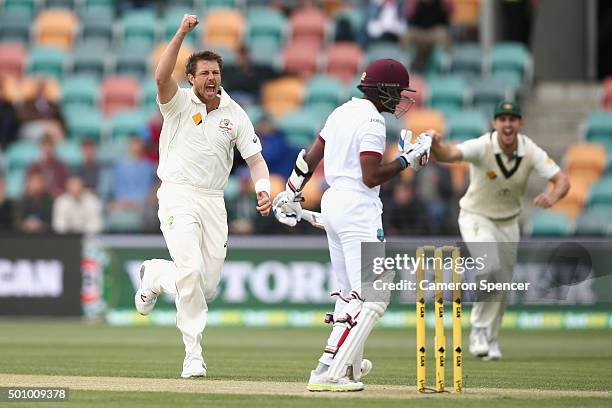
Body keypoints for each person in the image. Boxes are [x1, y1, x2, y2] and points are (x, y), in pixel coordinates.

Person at [273, 58, 432, 391]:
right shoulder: (373, 121)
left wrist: (290, 193)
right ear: (383, 90)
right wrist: (407, 159)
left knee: (349, 296)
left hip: (333, 202)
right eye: (398, 92)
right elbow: (371, 175)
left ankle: (335, 365)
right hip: (358, 207)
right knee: (375, 296)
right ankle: (333, 373)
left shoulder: (341, 111)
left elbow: (309, 158)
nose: (401, 98)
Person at [134, 14, 272, 379]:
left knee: (205, 287)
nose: (211, 78)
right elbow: (161, 77)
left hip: (213, 200)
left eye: (216, 73)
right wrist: (181, 33)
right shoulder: (177, 103)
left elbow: (256, 161)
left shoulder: (235, 113)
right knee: (191, 271)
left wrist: (262, 190)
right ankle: (193, 355)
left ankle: (154, 276)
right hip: (177, 194)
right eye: (204, 73)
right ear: (191, 78)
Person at [430, 100, 570, 360]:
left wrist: (552, 197)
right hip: (476, 216)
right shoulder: (482, 146)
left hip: (508, 224)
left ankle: (491, 338)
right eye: (502, 119)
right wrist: (436, 145)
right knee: (489, 266)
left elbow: (562, 180)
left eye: (512, 119)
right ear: (495, 123)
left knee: (502, 285)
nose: (507, 124)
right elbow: (449, 154)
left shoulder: (530, 151)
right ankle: (478, 332)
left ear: (520, 123)